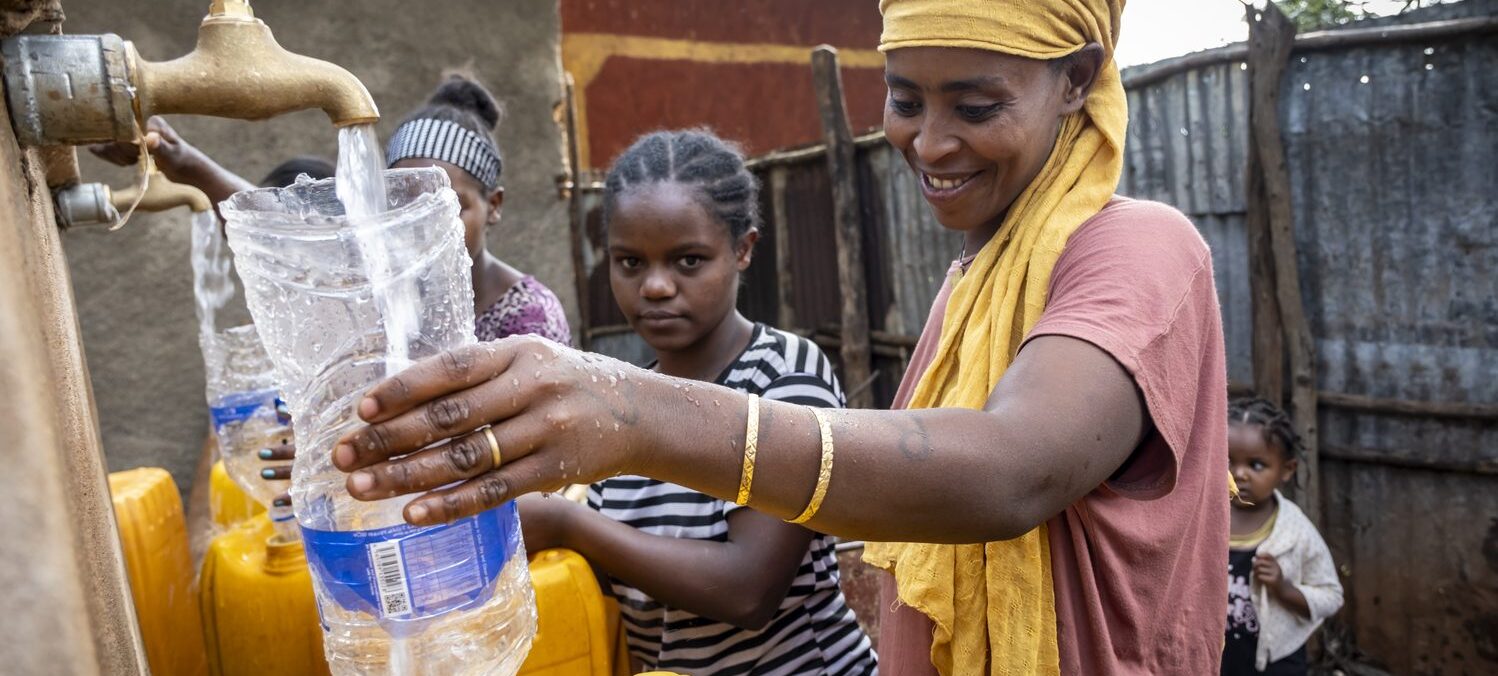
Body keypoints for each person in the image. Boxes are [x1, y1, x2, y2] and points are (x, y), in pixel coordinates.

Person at [328, 1, 1234, 672]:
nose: (928, 141)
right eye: (907, 98)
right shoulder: (977, 281)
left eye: (977, 105)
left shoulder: (1142, 250)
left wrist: (630, 414)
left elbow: (1010, 471)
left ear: (1076, 79)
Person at [518, 130, 877, 674]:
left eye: (688, 261)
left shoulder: (785, 376)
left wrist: (567, 526)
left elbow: (749, 591)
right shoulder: (620, 399)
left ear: (743, 249)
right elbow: (628, 584)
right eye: (630, 263)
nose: (656, 286)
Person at [387, 72, 571, 346]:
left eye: (449, 208)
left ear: (493, 206)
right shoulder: (387, 301)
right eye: (405, 206)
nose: (424, 228)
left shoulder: (529, 320)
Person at [1224, 398, 1342, 676]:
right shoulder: (1202, 520)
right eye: (1227, 460)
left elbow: (1331, 595)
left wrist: (1284, 588)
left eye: (1256, 465)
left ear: (1286, 470)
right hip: (1214, 658)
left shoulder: (1295, 531)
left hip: (1276, 661)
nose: (1239, 474)